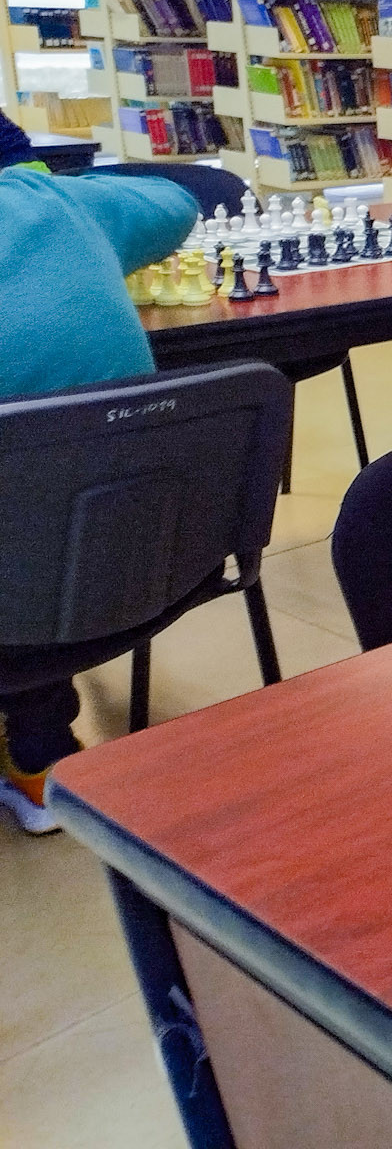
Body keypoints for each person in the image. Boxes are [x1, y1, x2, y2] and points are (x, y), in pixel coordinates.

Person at [0, 114, 201, 833]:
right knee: (40, 498)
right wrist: (62, 192)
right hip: (136, 566)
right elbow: (179, 201)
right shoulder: (67, 203)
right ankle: (41, 758)